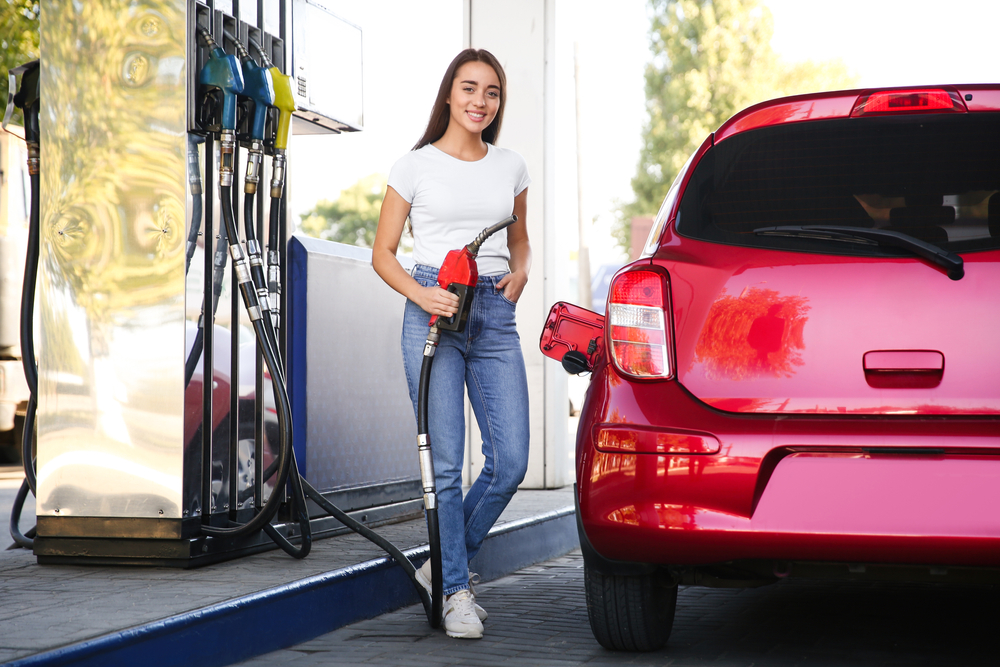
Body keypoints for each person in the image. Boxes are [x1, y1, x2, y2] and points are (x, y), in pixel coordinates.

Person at [372, 48, 531, 640]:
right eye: (469, 89)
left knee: (510, 460)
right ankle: (455, 589)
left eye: (491, 92)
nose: (479, 102)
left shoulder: (510, 165)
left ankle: (439, 568)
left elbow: (520, 240)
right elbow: (381, 253)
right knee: (444, 466)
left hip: (493, 313)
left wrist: (521, 269)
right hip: (433, 312)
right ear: (448, 94)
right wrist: (421, 293)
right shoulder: (413, 166)